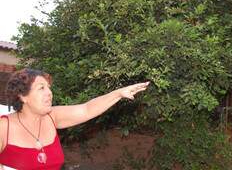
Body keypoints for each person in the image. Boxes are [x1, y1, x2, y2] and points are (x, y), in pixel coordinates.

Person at [0, 68, 149, 170]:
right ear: (23, 96)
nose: (49, 93)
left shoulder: (53, 117)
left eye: (49, 87)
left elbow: (87, 109)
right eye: (41, 88)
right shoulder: (4, 127)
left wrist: (118, 94)